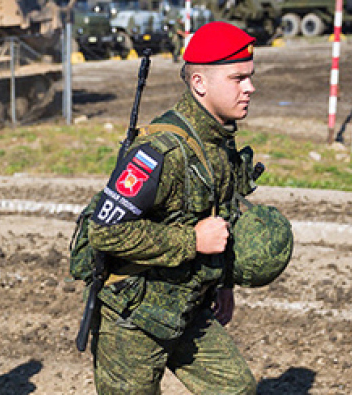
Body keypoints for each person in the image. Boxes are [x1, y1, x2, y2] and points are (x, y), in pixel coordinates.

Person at [86, 22, 262, 394]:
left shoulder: (219, 144)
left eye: (250, 77)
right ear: (200, 83)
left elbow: (221, 214)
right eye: (238, 79)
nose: (250, 88)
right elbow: (104, 230)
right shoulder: (161, 151)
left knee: (236, 389)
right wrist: (192, 241)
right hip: (132, 319)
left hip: (186, 306)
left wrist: (223, 282)